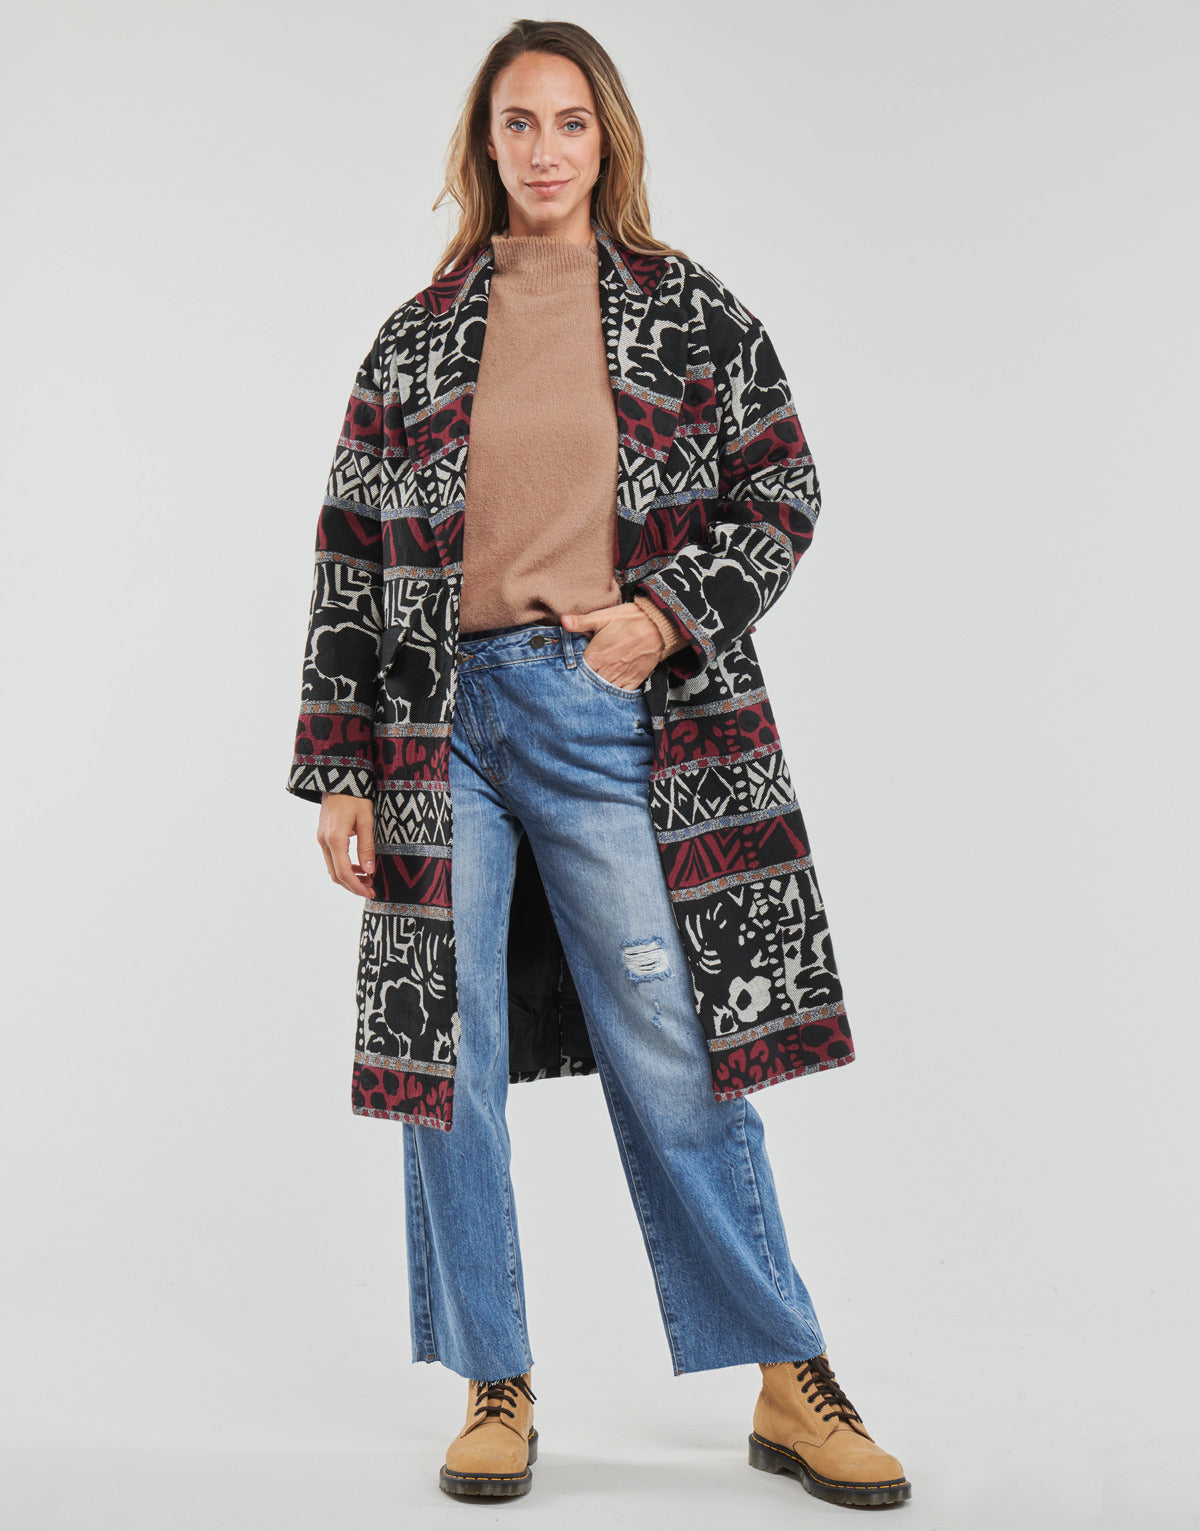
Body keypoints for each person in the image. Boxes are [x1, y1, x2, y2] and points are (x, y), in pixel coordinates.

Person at [285, 19, 910, 1510]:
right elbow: (353, 554)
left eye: (570, 122)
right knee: (447, 1059)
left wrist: (664, 618)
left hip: (606, 713)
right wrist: (342, 768)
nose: (545, 149)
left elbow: (784, 486)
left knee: (676, 1049)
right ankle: (494, 1383)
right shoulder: (414, 337)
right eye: (519, 123)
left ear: (607, 138)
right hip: (435, 729)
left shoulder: (687, 314)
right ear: (485, 143)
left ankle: (788, 1374)